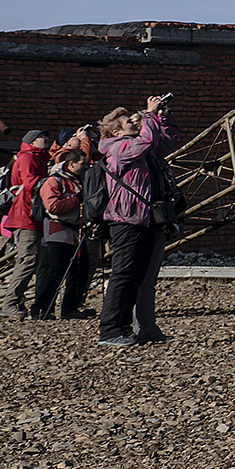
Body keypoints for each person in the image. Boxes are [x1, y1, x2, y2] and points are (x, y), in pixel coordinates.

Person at [96, 97, 176, 347]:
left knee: (135, 274)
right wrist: (150, 115)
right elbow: (147, 141)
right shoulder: (117, 149)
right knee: (123, 274)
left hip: (141, 219)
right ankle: (110, 330)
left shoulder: (135, 145)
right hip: (126, 220)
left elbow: (164, 145)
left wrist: (162, 118)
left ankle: (127, 328)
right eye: (128, 121)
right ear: (116, 131)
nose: (134, 121)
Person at [0, 129, 53, 318]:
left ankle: (15, 302)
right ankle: (11, 303)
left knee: (30, 260)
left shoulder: (38, 158)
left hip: (31, 215)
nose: (46, 139)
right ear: (32, 141)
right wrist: (53, 181)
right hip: (25, 215)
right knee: (28, 260)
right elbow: (31, 184)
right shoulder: (28, 158)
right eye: (42, 137)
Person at [30, 148, 88, 319]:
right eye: (82, 163)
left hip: (76, 232)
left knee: (79, 272)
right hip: (58, 231)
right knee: (57, 272)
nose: (86, 167)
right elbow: (53, 207)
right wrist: (78, 199)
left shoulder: (78, 181)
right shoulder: (54, 182)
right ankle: (42, 308)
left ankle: (70, 309)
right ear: (71, 164)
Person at [56, 125, 101, 316]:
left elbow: (91, 159)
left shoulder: (79, 167)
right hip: (65, 227)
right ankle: (61, 307)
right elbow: (82, 157)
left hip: (81, 225)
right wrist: (83, 141)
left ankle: (73, 304)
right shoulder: (61, 161)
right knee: (64, 269)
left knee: (83, 267)